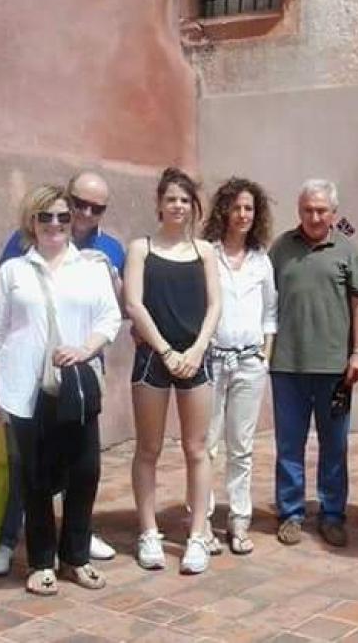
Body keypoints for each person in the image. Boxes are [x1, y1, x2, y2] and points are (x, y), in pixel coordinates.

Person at [0, 184, 121, 595]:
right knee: (34, 477)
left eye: (63, 216)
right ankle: (41, 562)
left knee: (84, 472)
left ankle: (75, 557)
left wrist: (84, 349)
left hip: (74, 386)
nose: (56, 225)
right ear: (32, 222)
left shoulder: (91, 267)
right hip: (22, 386)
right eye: (46, 217)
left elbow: (110, 320)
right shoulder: (14, 271)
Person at [124, 168, 221, 574]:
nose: (177, 206)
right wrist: (165, 350)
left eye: (184, 199)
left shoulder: (204, 252)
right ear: (159, 203)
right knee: (148, 449)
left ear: (192, 206)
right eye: (171, 199)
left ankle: (197, 534)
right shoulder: (141, 249)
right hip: (153, 361)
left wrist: (196, 350)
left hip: (195, 360)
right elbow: (134, 303)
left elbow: (215, 305)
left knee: (197, 449)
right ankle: (149, 532)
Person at [268, 179, 358, 548]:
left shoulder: (349, 250)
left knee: (334, 446)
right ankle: (291, 514)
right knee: (289, 445)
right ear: (300, 211)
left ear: (334, 213)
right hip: (287, 365)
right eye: (308, 209)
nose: (314, 216)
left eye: (321, 210)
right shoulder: (281, 248)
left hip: (334, 368)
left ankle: (332, 515)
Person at [200, 177, 277, 555]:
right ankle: (202, 521)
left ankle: (239, 522)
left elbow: (270, 312)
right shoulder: (206, 255)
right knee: (206, 444)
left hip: (249, 362)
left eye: (249, 208)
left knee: (242, 447)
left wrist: (266, 353)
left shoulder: (262, 260)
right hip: (212, 360)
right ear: (224, 211)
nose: (243, 215)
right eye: (236, 207)